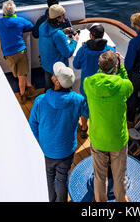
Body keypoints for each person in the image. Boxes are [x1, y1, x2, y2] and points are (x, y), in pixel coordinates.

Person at [29, 62, 86, 202]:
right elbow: (88, 113)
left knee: (49, 177)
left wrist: (42, 139)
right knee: (62, 178)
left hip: (47, 149)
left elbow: (33, 125)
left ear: (58, 83)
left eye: (55, 75)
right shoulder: (78, 100)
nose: (52, 76)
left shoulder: (40, 101)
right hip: (66, 149)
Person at [84, 50, 133, 202]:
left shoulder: (88, 83)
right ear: (116, 67)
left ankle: (100, 201)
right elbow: (128, 86)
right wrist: (122, 67)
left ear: (99, 66)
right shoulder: (124, 85)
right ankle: (121, 200)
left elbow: (101, 77)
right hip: (117, 139)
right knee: (119, 176)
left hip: (98, 138)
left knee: (99, 176)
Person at [0, 0, 37, 104]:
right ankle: (23, 95)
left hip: (8, 55)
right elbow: (31, 26)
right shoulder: (19, 20)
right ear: (14, 11)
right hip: (20, 52)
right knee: (21, 76)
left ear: (3, 12)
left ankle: (31, 90)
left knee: (19, 75)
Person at [73, 23, 115, 139]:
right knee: (101, 108)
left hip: (87, 86)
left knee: (86, 106)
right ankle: (100, 131)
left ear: (91, 36)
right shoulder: (109, 50)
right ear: (103, 36)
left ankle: (84, 129)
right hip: (103, 86)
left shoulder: (83, 49)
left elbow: (76, 65)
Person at [39, 4, 78, 91]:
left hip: (46, 64)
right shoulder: (58, 35)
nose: (64, 16)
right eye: (62, 15)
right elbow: (68, 53)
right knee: (63, 91)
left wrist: (62, 31)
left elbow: (51, 36)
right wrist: (74, 41)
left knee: (48, 89)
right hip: (58, 69)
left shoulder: (42, 26)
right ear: (57, 18)